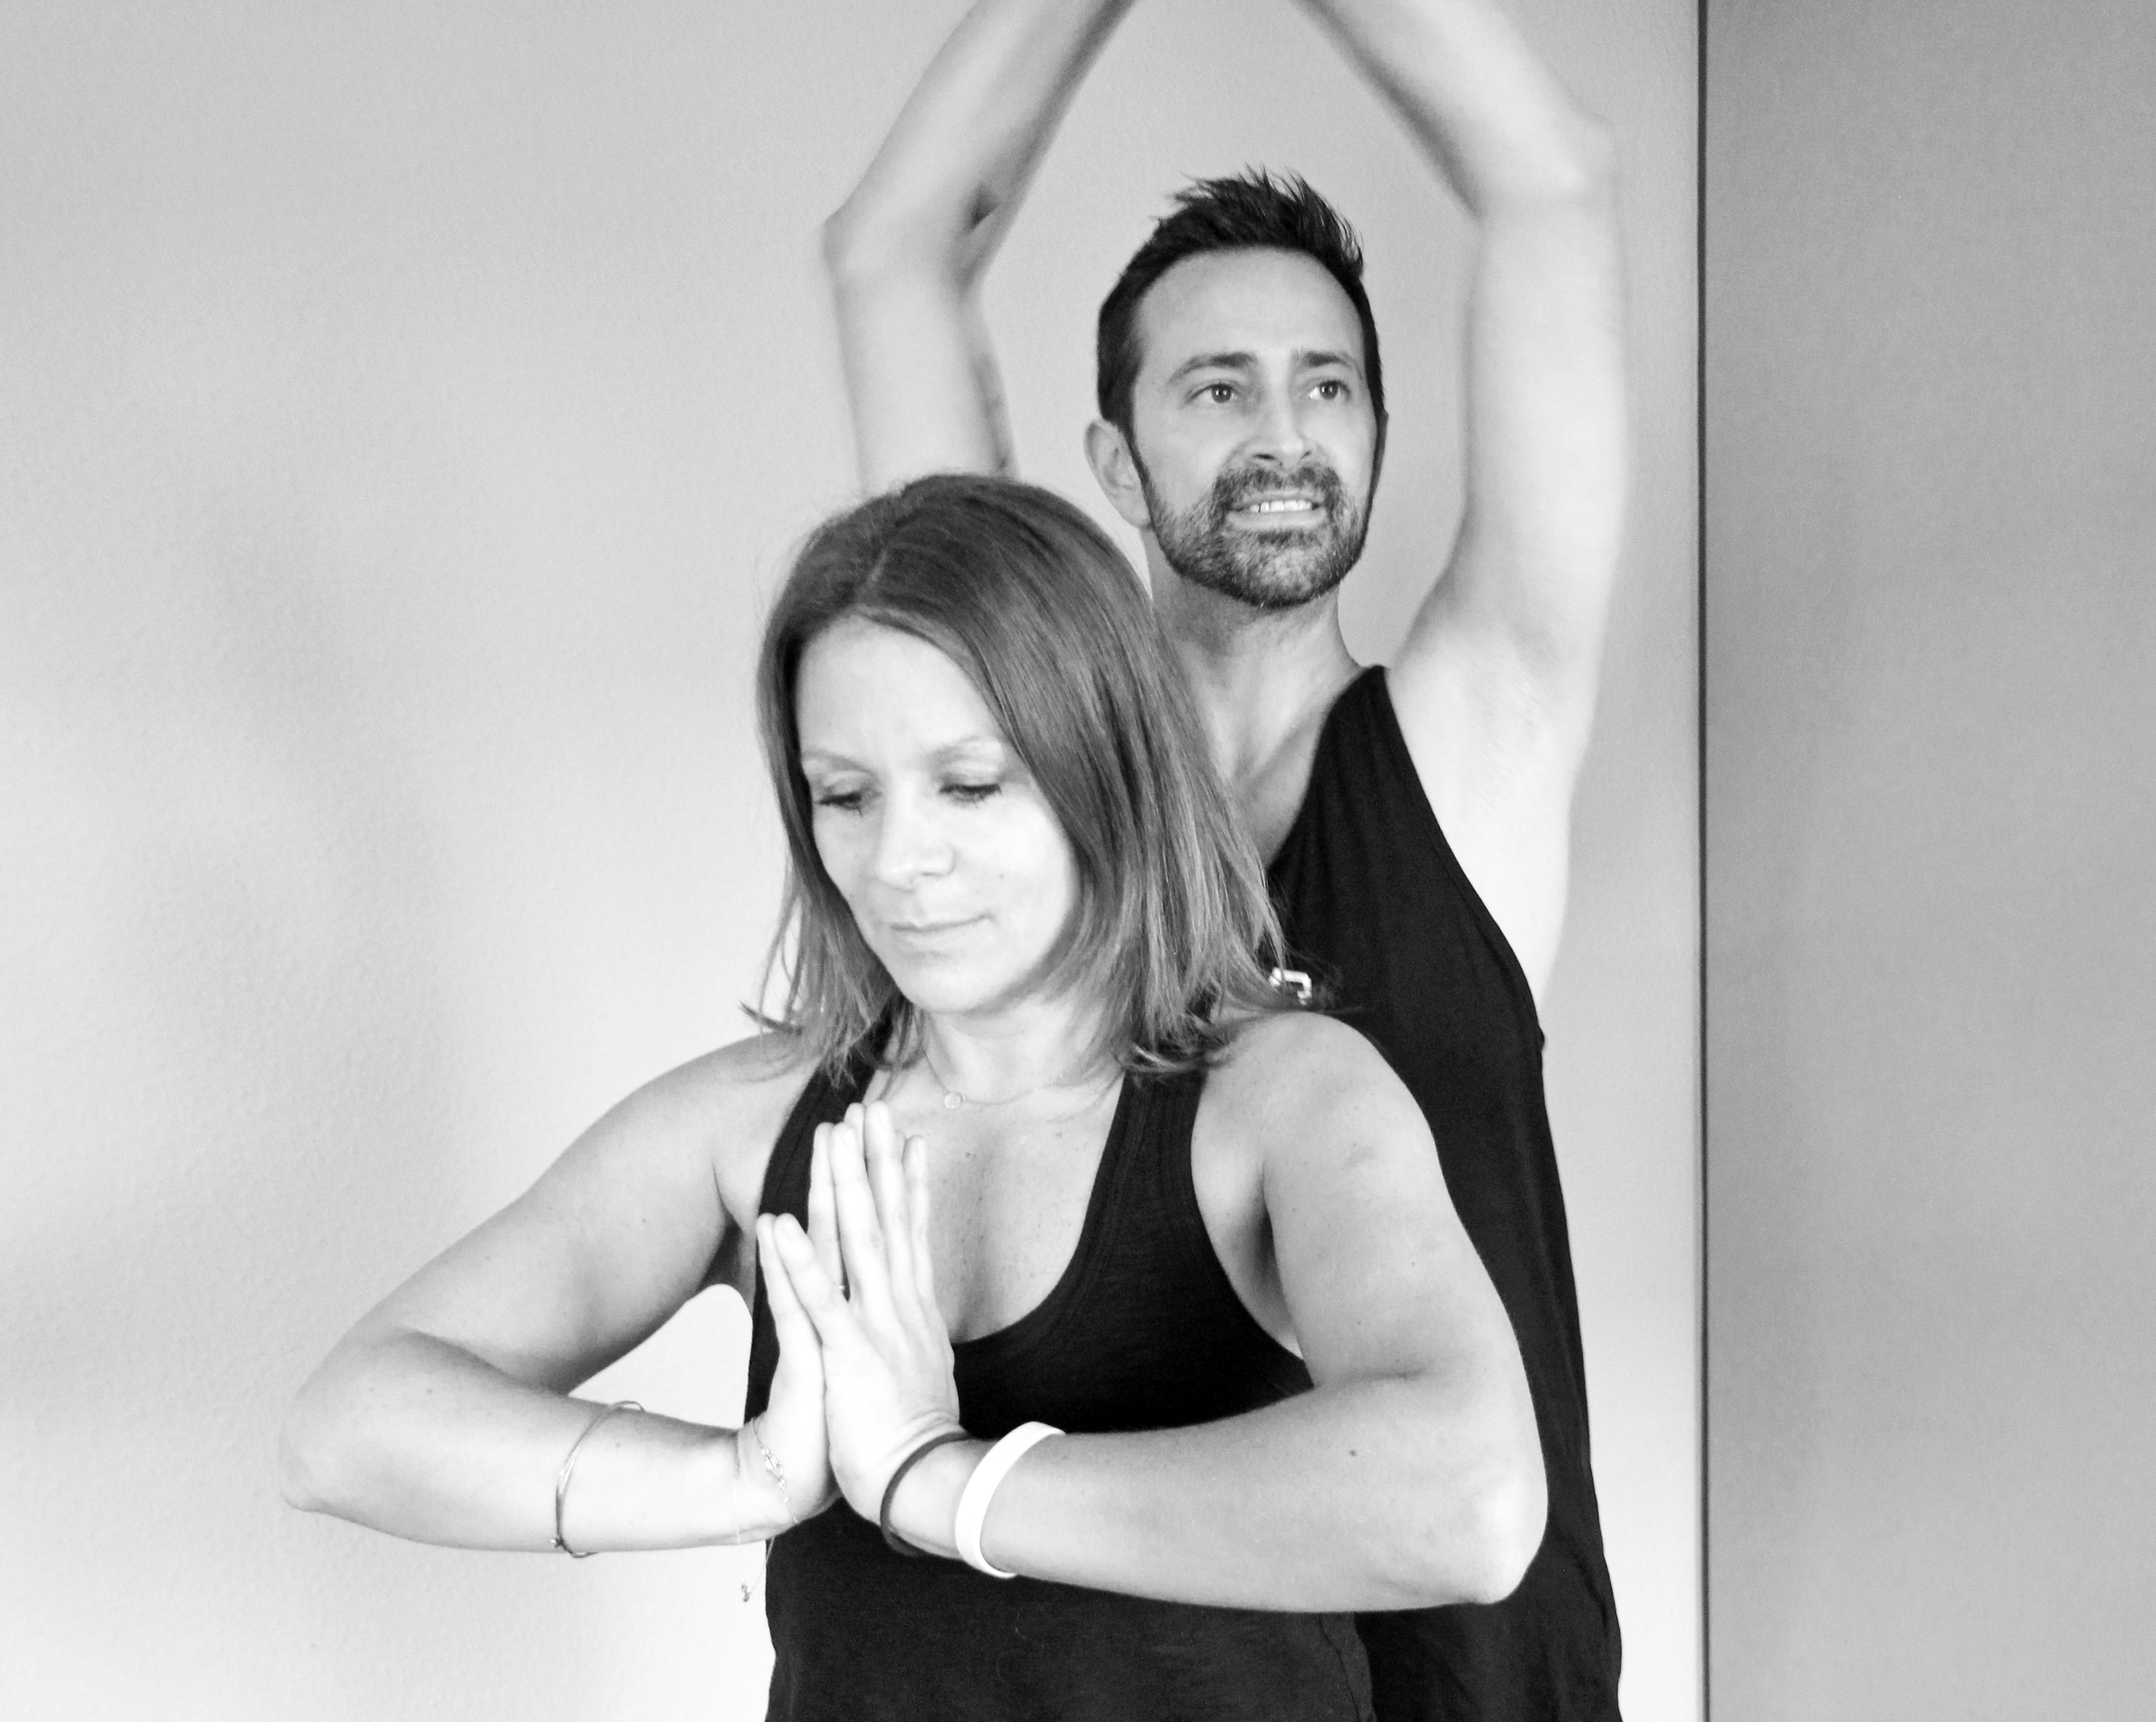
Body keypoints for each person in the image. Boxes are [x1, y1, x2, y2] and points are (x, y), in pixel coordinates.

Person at [280, 473, 1539, 1720]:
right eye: (846, 795)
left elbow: (1471, 1500)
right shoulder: (747, 1127)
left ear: (1110, 768)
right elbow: (346, 1427)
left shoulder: (1285, 1100)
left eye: (970, 784)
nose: (898, 860)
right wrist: (747, 1479)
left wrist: (942, 1483)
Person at [825, 2, 1629, 1717]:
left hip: (1472, 1673)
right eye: (1218, 386)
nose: (1284, 430)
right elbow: (892, 252)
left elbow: (1552, 183)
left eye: (1326, 384)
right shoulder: (1025, 784)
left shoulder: (1475, 740)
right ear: (1115, 464)